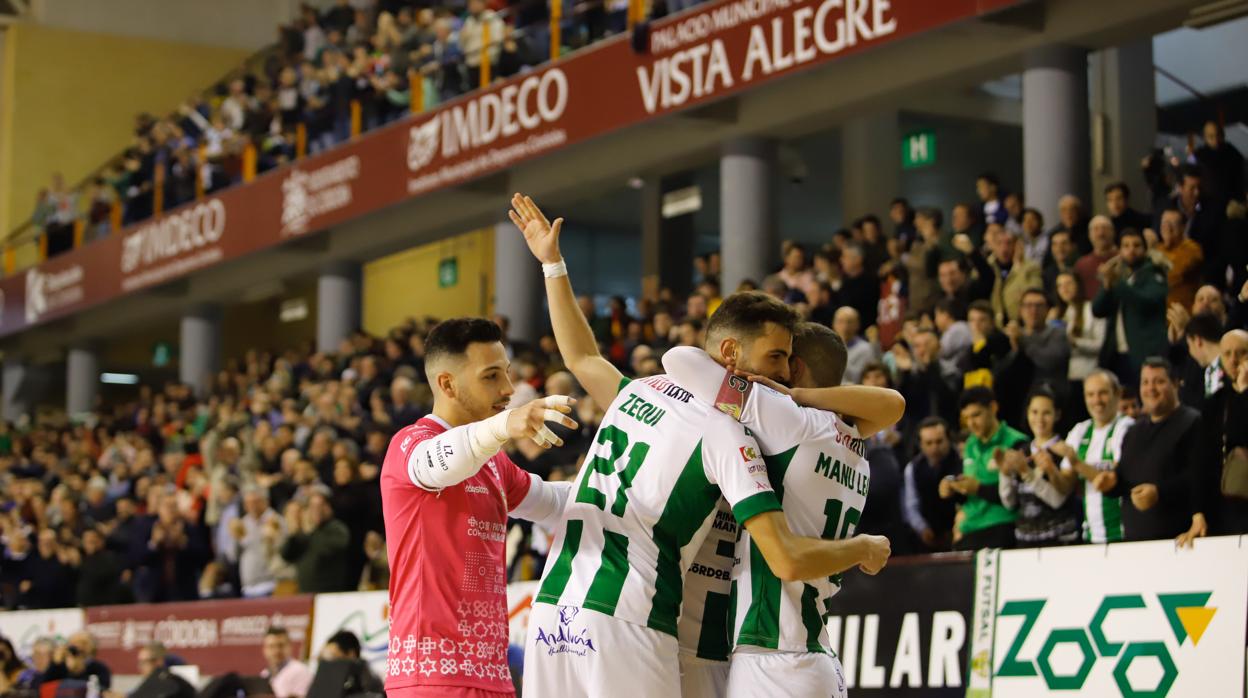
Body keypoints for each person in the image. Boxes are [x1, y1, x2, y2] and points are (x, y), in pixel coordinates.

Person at [510, 194, 890, 698]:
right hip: (648, 622)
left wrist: (553, 266)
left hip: (555, 608)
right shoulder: (729, 432)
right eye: (776, 357)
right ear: (732, 355)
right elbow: (787, 554)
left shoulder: (640, 391)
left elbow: (582, 356)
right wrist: (863, 547)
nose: (782, 373)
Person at [662, 325, 904, 698]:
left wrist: (788, 394)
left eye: (781, 359)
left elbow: (678, 360)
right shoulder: (856, 443)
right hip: (816, 653)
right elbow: (894, 404)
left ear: (797, 366)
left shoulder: (789, 418)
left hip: (775, 652)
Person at [379, 316, 577, 697]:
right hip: (430, 677)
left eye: (506, 373)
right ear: (447, 384)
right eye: (491, 377)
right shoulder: (410, 444)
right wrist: (504, 426)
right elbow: (436, 463)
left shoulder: (494, 462)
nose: (508, 388)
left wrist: (628, 481)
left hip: (492, 676)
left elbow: (558, 503)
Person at [1094, 358, 1204, 542]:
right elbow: (1123, 479)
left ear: (1176, 384)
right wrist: (1110, 483)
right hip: (1135, 544)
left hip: (1179, 542)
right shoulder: (1133, 431)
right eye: (1145, 382)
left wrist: (1159, 493)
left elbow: (1198, 478)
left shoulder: (1193, 422)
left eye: (1159, 382)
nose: (1150, 388)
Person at [940, 387, 1028, 550]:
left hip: (1002, 524)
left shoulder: (1015, 443)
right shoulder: (970, 445)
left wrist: (978, 488)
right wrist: (953, 489)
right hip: (969, 525)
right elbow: (968, 491)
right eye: (967, 418)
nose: (971, 424)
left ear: (993, 408)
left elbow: (1019, 497)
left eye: (976, 415)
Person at [1054, 370, 1134, 544]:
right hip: (1090, 536)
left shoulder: (1126, 427)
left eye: (1103, 393)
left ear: (1117, 394)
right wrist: (1046, 469)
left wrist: (1076, 462)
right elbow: (1065, 486)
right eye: (1090, 394)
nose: (1096, 400)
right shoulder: (1080, 431)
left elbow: (1114, 482)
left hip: (1124, 534)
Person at [997, 389, 1082, 546]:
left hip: (1059, 542)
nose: (1039, 419)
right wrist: (1004, 474)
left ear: (1057, 415)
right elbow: (1010, 503)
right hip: (1025, 542)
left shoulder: (1064, 450)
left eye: (1046, 413)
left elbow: (1057, 501)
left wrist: (1026, 473)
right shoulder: (1020, 450)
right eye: (1034, 412)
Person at [1092, 228, 1168, 384]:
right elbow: (1098, 310)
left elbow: (1145, 302)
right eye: (1126, 246)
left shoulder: (1154, 273)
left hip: (1144, 353)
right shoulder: (1119, 274)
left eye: (1136, 245)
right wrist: (1107, 287)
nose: (1131, 250)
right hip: (1116, 354)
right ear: (1119, 250)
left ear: (1145, 249)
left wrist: (1117, 284)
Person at [902, 417, 962, 552]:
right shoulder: (913, 468)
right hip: (928, 539)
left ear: (948, 440)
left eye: (939, 441)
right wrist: (922, 528)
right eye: (929, 443)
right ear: (921, 445)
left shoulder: (962, 460)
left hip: (961, 532)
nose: (935, 448)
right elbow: (911, 506)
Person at [1156, 208, 1204, 311]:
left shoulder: (1192, 249)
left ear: (1182, 227)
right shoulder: (1157, 248)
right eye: (1164, 223)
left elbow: (1173, 275)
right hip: (1157, 314)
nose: (1167, 227)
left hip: (1182, 311)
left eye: (1171, 224)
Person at [40, 631, 111, 689]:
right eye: (74, 643)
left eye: (84, 643)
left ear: (92, 647)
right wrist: (56, 663)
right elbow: (44, 684)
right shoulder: (60, 666)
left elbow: (102, 688)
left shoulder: (99, 668)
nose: (79, 647)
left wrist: (78, 670)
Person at [261, 626, 314, 698]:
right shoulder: (265, 674)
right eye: (271, 646)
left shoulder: (301, 671)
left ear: (290, 646)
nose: (276, 651)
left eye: (280, 645)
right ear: (264, 649)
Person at [832, 306, 879, 385]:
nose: (845, 327)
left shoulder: (866, 349)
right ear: (833, 324)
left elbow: (863, 378)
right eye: (840, 322)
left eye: (849, 322)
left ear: (857, 324)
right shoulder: (827, 348)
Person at [129, 642, 195, 698]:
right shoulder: (154, 682)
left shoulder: (171, 683)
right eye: (139, 662)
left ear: (158, 662)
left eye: (144, 662)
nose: (140, 667)